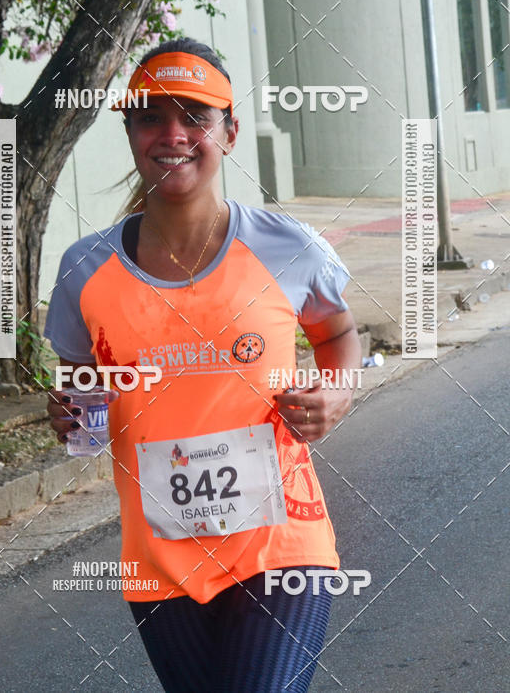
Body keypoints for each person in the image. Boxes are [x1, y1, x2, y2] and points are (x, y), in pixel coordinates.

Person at [45, 38, 361, 692]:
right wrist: (74, 416)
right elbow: (84, 407)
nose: (173, 134)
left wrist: (338, 389)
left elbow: (338, 335)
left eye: (195, 115)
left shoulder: (286, 248)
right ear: (129, 131)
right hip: (158, 560)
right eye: (150, 117)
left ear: (230, 131)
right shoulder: (85, 270)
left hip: (282, 545)